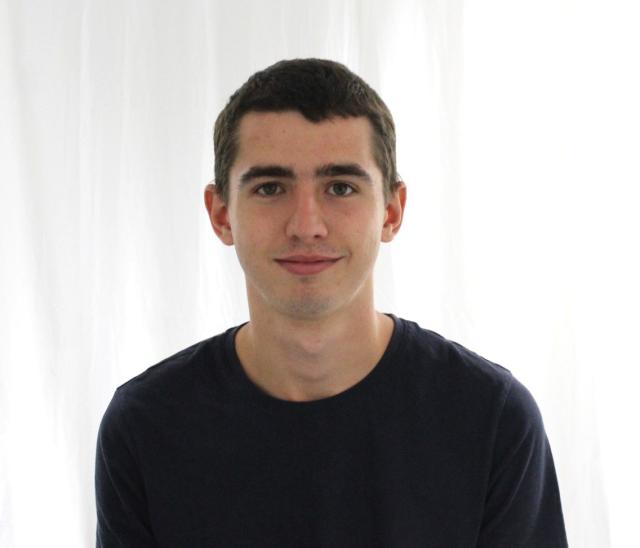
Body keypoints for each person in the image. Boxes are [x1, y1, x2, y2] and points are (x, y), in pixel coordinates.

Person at [95, 58, 569, 547]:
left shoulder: (491, 419)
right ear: (221, 215)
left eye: (341, 187)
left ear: (391, 211)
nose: (307, 225)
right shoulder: (145, 426)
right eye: (270, 188)